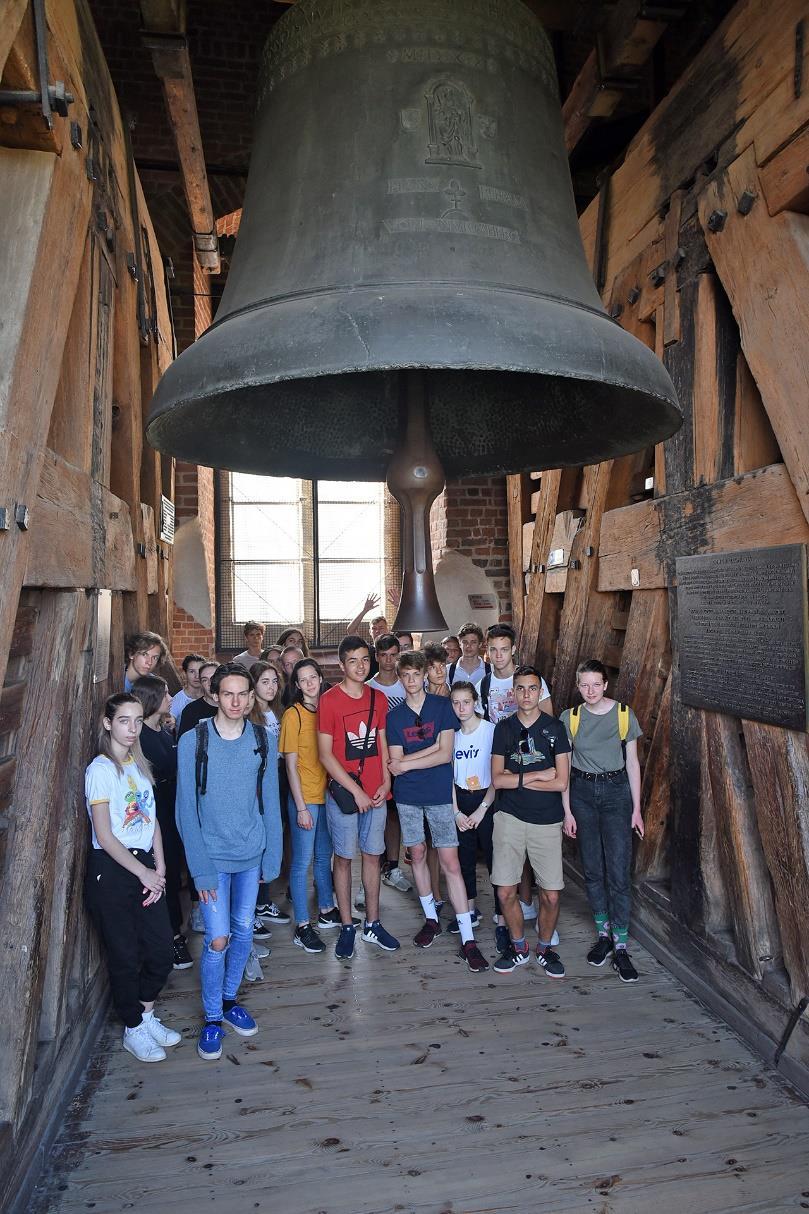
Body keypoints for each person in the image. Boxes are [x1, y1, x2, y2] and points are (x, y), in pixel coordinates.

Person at [176, 663, 282, 1061]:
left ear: (251, 698)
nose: (236, 702)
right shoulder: (193, 741)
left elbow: (269, 800)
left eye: (243, 694)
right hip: (212, 858)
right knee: (217, 939)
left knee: (242, 933)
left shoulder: (261, 739)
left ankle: (228, 998)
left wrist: (272, 858)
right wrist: (200, 868)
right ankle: (212, 1019)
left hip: (250, 853)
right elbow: (185, 809)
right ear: (215, 696)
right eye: (228, 694)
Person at [84, 693, 178, 1062]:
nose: (132, 728)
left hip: (145, 866)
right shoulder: (100, 770)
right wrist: (144, 872)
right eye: (124, 720)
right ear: (108, 722)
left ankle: (147, 1013)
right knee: (124, 954)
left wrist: (161, 866)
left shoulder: (138, 765)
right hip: (112, 870)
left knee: (160, 951)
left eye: (138, 720)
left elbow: (151, 819)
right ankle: (133, 1027)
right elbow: (105, 834)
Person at [387, 651, 489, 972]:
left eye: (417, 674)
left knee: (449, 862)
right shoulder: (394, 717)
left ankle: (468, 939)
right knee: (417, 854)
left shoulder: (443, 707)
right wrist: (404, 764)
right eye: (406, 676)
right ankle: (431, 919)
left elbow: (445, 755)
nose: (412, 680)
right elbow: (394, 764)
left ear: (425, 675)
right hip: (408, 796)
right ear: (401, 679)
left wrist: (407, 762)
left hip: (440, 795)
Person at [560, 659, 644, 983]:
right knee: (592, 868)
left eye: (596, 684)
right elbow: (564, 768)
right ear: (579, 686)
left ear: (606, 685)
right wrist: (567, 811)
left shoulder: (624, 715)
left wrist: (636, 809)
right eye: (585, 685)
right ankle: (604, 935)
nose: (591, 690)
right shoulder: (571, 718)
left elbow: (633, 764)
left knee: (619, 870)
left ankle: (621, 945)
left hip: (616, 793)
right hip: (581, 792)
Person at [317, 634, 400, 959]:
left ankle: (374, 923)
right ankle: (348, 924)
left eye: (365, 659)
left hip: (376, 794)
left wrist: (385, 780)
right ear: (341, 665)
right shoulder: (330, 700)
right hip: (345, 795)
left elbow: (381, 742)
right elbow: (325, 755)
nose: (361, 666)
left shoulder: (378, 698)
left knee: (372, 855)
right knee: (344, 859)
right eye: (353, 660)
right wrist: (357, 792)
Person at [490, 666, 570, 977]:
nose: (526, 694)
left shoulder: (555, 728)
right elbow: (497, 780)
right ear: (513, 692)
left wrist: (517, 778)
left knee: (550, 893)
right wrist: (538, 774)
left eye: (532, 688)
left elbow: (561, 782)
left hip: (546, 820)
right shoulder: (503, 729)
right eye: (520, 688)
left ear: (540, 691)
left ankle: (545, 947)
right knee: (506, 891)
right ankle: (519, 945)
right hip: (509, 818)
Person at [477, 624, 554, 932]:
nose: (498, 655)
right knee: (511, 839)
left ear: (513, 650)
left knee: (537, 837)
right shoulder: (484, 684)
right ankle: (521, 901)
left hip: (533, 762)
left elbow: (548, 721)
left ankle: (536, 899)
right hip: (503, 766)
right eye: (493, 649)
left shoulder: (529, 680)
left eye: (504, 649)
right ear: (487, 650)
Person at [280, 658, 349, 953]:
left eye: (313, 677)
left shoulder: (327, 710)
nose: (309, 683)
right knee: (301, 863)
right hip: (305, 798)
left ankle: (326, 910)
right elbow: (290, 767)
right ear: (297, 685)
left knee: (324, 857)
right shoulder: (293, 715)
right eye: (303, 679)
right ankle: (302, 926)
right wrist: (301, 807)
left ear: (321, 678)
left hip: (327, 795)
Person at [130, 674, 192, 971]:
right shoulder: (140, 737)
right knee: (160, 870)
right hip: (155, 812)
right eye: (166, 693)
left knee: (175, 866)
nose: (171, 697)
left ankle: (176, 930)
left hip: (172, 807)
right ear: (153, 699)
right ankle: (172, 937)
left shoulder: (164, 731)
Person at [449, 681, 499, 943]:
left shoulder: (490, 731)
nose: (461, 707)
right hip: (461, 800)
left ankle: (502, 915)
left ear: (475, 702)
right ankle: (468, 912)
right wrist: (456, 812)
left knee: (495, 860)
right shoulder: (452, 735)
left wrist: (482, 809)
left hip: (486, 800)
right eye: (455, 702)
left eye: (466, 702)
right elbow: (448, 777)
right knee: (464, 859)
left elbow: (498, 776)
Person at [366, 634, 411, 895]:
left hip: (405, 759)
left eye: (393, 654)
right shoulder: (369, 687)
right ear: (376, 657)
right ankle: (374, 869)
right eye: (383, 655)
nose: (388, 660)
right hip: (376, 760)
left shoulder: (407, 684)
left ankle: (392, 867)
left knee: (395, 815)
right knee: (376, 816)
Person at [177, 660, 218, 739]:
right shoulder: (191, 710)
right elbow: (184, 744)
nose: (210, 683)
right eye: (205, 680)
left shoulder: (232, 706)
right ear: (201, 684)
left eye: (213, 678)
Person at [170, 653, 206, 727]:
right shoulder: (177, 700)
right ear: (184, 674)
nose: (196, 676)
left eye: (200, 671)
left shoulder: (211, 697)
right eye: (192, 671)